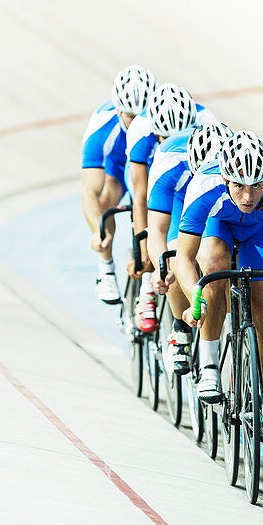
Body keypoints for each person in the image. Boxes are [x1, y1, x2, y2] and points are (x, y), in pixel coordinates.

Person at [174, 131, 263, 444]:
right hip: (219, 226)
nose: (248, 196)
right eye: (238, 185)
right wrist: (195, 298)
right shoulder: (204, 187)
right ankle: (209, 362)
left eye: (256, 186)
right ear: (225, 179)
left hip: (262, 233)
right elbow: (183, 257)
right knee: (213, 267)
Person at [141, 123, 232, 372]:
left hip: (223, 200)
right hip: (182, 201)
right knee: (174, 253)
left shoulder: (235, 160)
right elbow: (157, 230)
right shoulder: (168, 163)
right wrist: (161, 269)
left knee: (217, 258)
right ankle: (181, 327)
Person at [80, 65, 155, 304]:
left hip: (149, 162)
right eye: (131, 117)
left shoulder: (160, 121)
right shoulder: (102, 129)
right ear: (118, 110)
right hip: (118, 163)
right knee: (106, 198)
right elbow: (89, 190)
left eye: (142, 116)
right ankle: (106, 267)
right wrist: (96, 229)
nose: (136, 124)